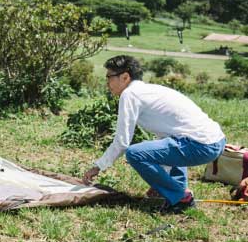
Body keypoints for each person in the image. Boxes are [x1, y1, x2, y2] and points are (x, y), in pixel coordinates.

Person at [81, 55, 226, 213]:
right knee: (167, 143)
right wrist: (158, 181)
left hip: (200, 145)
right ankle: (176, 190)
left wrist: (98, 167)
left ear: (124, 77)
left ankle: (180, 197)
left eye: (109, 77)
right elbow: (165, 140)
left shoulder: (130, 94)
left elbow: (122, 143)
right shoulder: (149, 90)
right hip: (215, 142)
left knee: (134, 154)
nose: (107, 82)